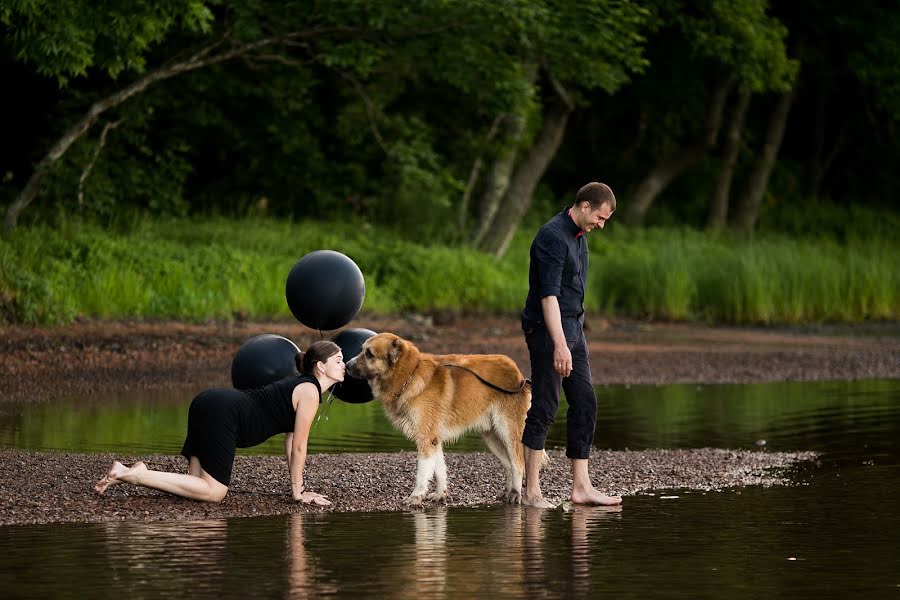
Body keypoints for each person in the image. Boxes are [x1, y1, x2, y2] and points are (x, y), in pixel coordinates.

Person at [95, 340, 344, 506]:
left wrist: (296, 488)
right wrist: (299, 493)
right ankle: (139, 474)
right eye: (338, 360)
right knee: (215, 493)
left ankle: (130, 473)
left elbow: (291, 445)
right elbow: (300, 447)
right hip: (225, 412)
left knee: (194, 488)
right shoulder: (310, 392)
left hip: (208, 401)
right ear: (320, 367)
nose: (344, 365)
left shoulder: (301, 386)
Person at [520, 182, 622, 508]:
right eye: (600, 218)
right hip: (548, 330)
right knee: (546, 406)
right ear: (585, 205)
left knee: (585, 402)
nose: (601, 225)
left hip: (574, 329)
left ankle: (581, 487)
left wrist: (575, 337)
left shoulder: (580, 236)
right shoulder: (552, 237)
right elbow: (548, 297)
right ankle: (531, 491)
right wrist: (560, 345)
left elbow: (572, 293)